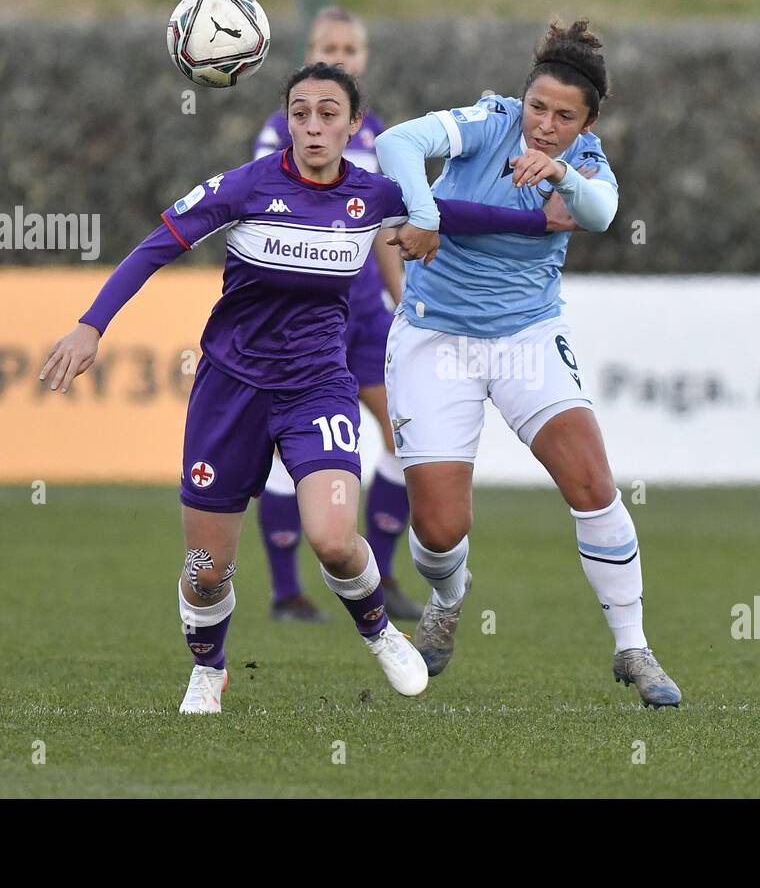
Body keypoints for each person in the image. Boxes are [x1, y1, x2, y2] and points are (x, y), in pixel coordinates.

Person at [40, 63, 570, 713]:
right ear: (287, 121)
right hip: (229, 389)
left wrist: (540, 222)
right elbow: (156, 246)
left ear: (353, 126)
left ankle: (380, 632)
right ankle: (209, 670)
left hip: (316, 387)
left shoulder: (371, 197)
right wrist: (91, 326)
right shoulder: (245, 188)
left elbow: (458, 214)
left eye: (328, 113)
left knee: (334, 539)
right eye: (300, 113)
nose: (313, 125)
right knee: (206, 571)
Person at [375, 19, 682, 706]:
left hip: (527, 337)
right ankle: (450, 597)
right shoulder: (488, 122)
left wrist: (566, 174)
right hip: (434, 336)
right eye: (538, 107)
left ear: (588, 122)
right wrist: (422, 210)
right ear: (523, 100)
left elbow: (602, 214)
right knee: (440, 530)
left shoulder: (586, 164)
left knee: (592, 482)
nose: (544, 125)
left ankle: (634, 647)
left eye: (563, 117)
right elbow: (396, 143)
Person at [252, 7, 421, 623]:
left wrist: (404, 298)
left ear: (364, 58)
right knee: (285, 453)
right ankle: (286, 592)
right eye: (331, 45)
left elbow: (378, 222)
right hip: (300, 316)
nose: (342, 56)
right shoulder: (281, 132)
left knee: (405, 435)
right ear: (309, 52)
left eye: (352, 47)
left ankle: (376, 572)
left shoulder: (375, 134)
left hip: (364, 314)